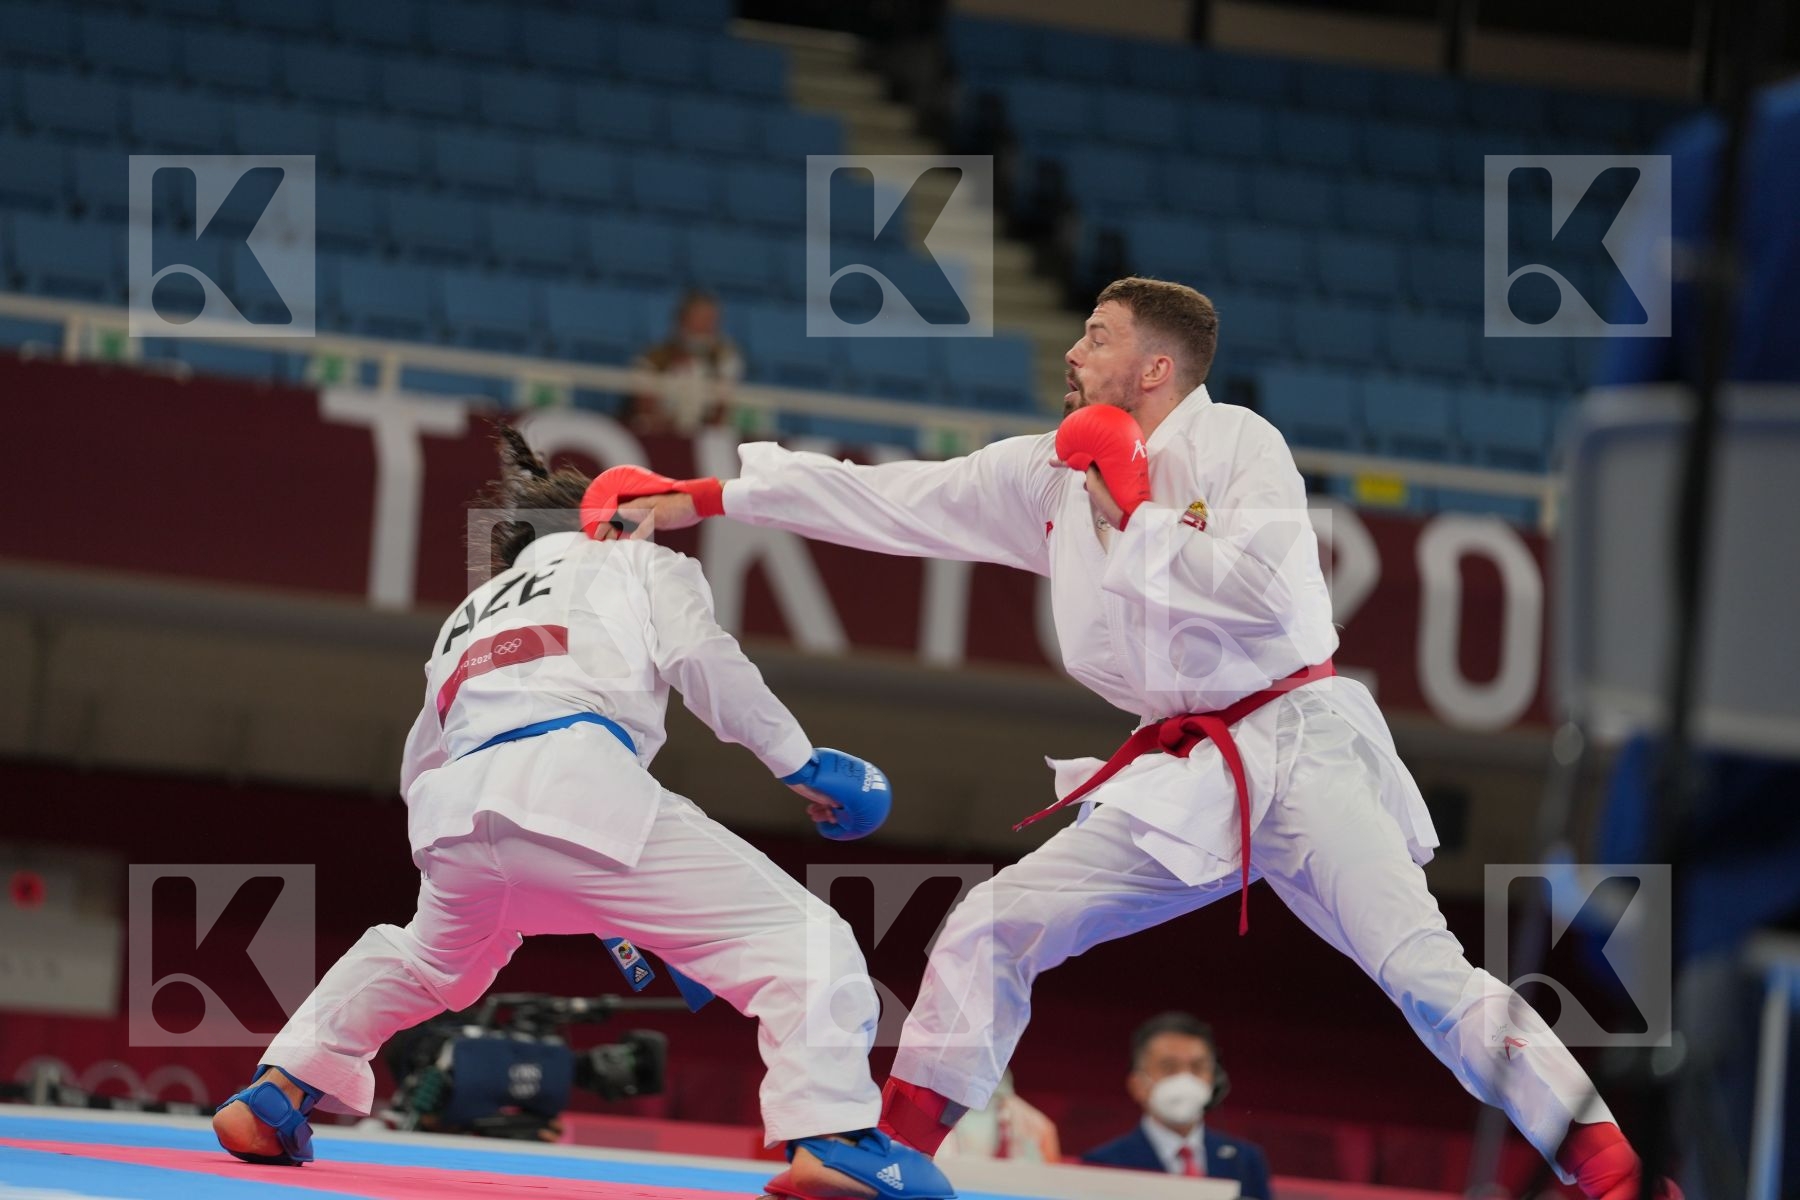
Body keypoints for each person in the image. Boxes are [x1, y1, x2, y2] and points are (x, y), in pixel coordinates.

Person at [626, 276, 1682, 1200]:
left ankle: (1615, 1172)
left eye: (1096, 335)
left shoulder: (1236, 445)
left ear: (1156, 366)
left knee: (1422, 972)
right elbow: (894, 498)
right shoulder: (1048, 474)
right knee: (995, 923)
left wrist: (1137, 512)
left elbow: (1271, 600)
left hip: (1300, 744)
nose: (1074, 354)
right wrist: (709, 496)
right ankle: (892, 1156)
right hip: (1185, 766)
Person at [209, 431, 952, 1200]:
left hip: (454, 814)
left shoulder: (468, 614)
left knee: (429, 961)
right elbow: (704, 661)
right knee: (804, 943)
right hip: (577, 781)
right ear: (604, 517)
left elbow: (419, 757)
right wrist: (800, 764)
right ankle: (830, 1136)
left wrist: (568, 872)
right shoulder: (637, 558)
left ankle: (282, 1086)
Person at [1081, 1013, 1271, 1198]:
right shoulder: (1103, 1164)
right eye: (1169, 1067)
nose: (1185, 1078)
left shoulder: (1245, 1161)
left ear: (1214, 1079)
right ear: (1137, 1084)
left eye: (1197, 1067)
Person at [630, 289, 744, 435]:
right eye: (699, 319)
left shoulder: (725, 361)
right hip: (661, 435)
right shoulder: (653, 359)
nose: (706, 327)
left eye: (711, 320)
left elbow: (723, 410)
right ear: (682, 319)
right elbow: (645, 409)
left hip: (706, 438)